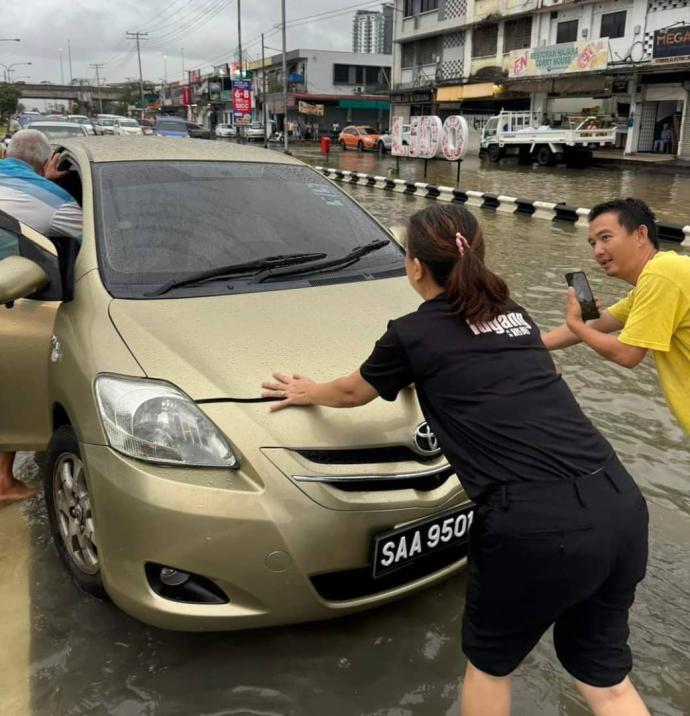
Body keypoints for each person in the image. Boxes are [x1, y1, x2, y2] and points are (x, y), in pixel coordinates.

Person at [261, 204, 650, 716]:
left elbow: (354, 392)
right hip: (620, 506)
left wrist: (308, 389)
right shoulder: (515, 313)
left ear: (415, 267)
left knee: (489, 670)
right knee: (608, 684)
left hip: (536, 526)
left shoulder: (412, 332)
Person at [543, 198, 690, 436]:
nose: (598, 251)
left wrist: (577, 325)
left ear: (641, 235)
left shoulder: (662, 275)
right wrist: (526, 345)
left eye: (606, 238)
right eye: (592, 243)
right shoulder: (653, 281)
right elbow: (598, 324)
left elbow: (627, 354)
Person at [0, 129, 83, 504]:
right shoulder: (56, 201)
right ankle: (3, 481)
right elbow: (92, 240)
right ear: (44, 162)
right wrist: (51, 188)